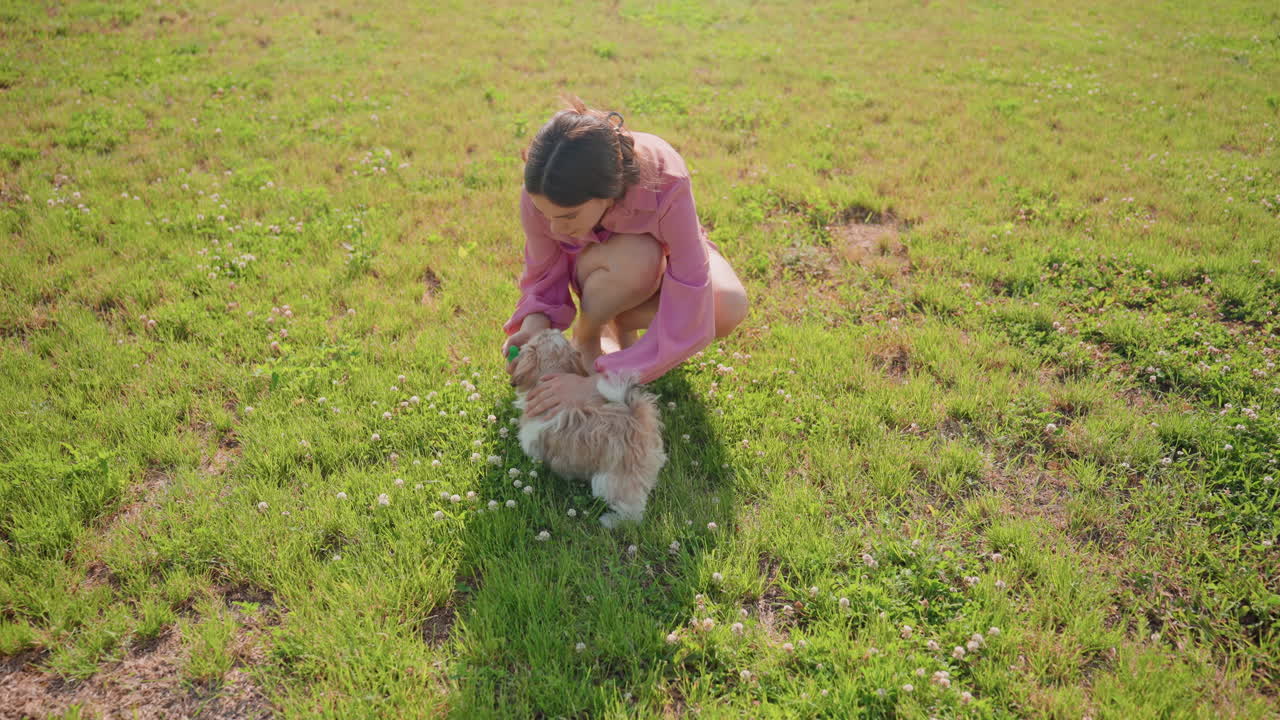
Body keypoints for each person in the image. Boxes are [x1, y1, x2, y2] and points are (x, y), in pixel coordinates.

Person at [501, 96, 748, 418]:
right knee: (637, 258)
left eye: (568, 216)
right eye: (545, 214)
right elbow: (544, 273)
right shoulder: (545, 190)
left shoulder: (666, 177)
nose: (553, 227)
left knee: (728, 304)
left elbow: (690, 278)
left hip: (660, 264)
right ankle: (589, 334)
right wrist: (535, 324)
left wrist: (600, 383)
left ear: (608, 193)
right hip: (599, 270)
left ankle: (616, 325)